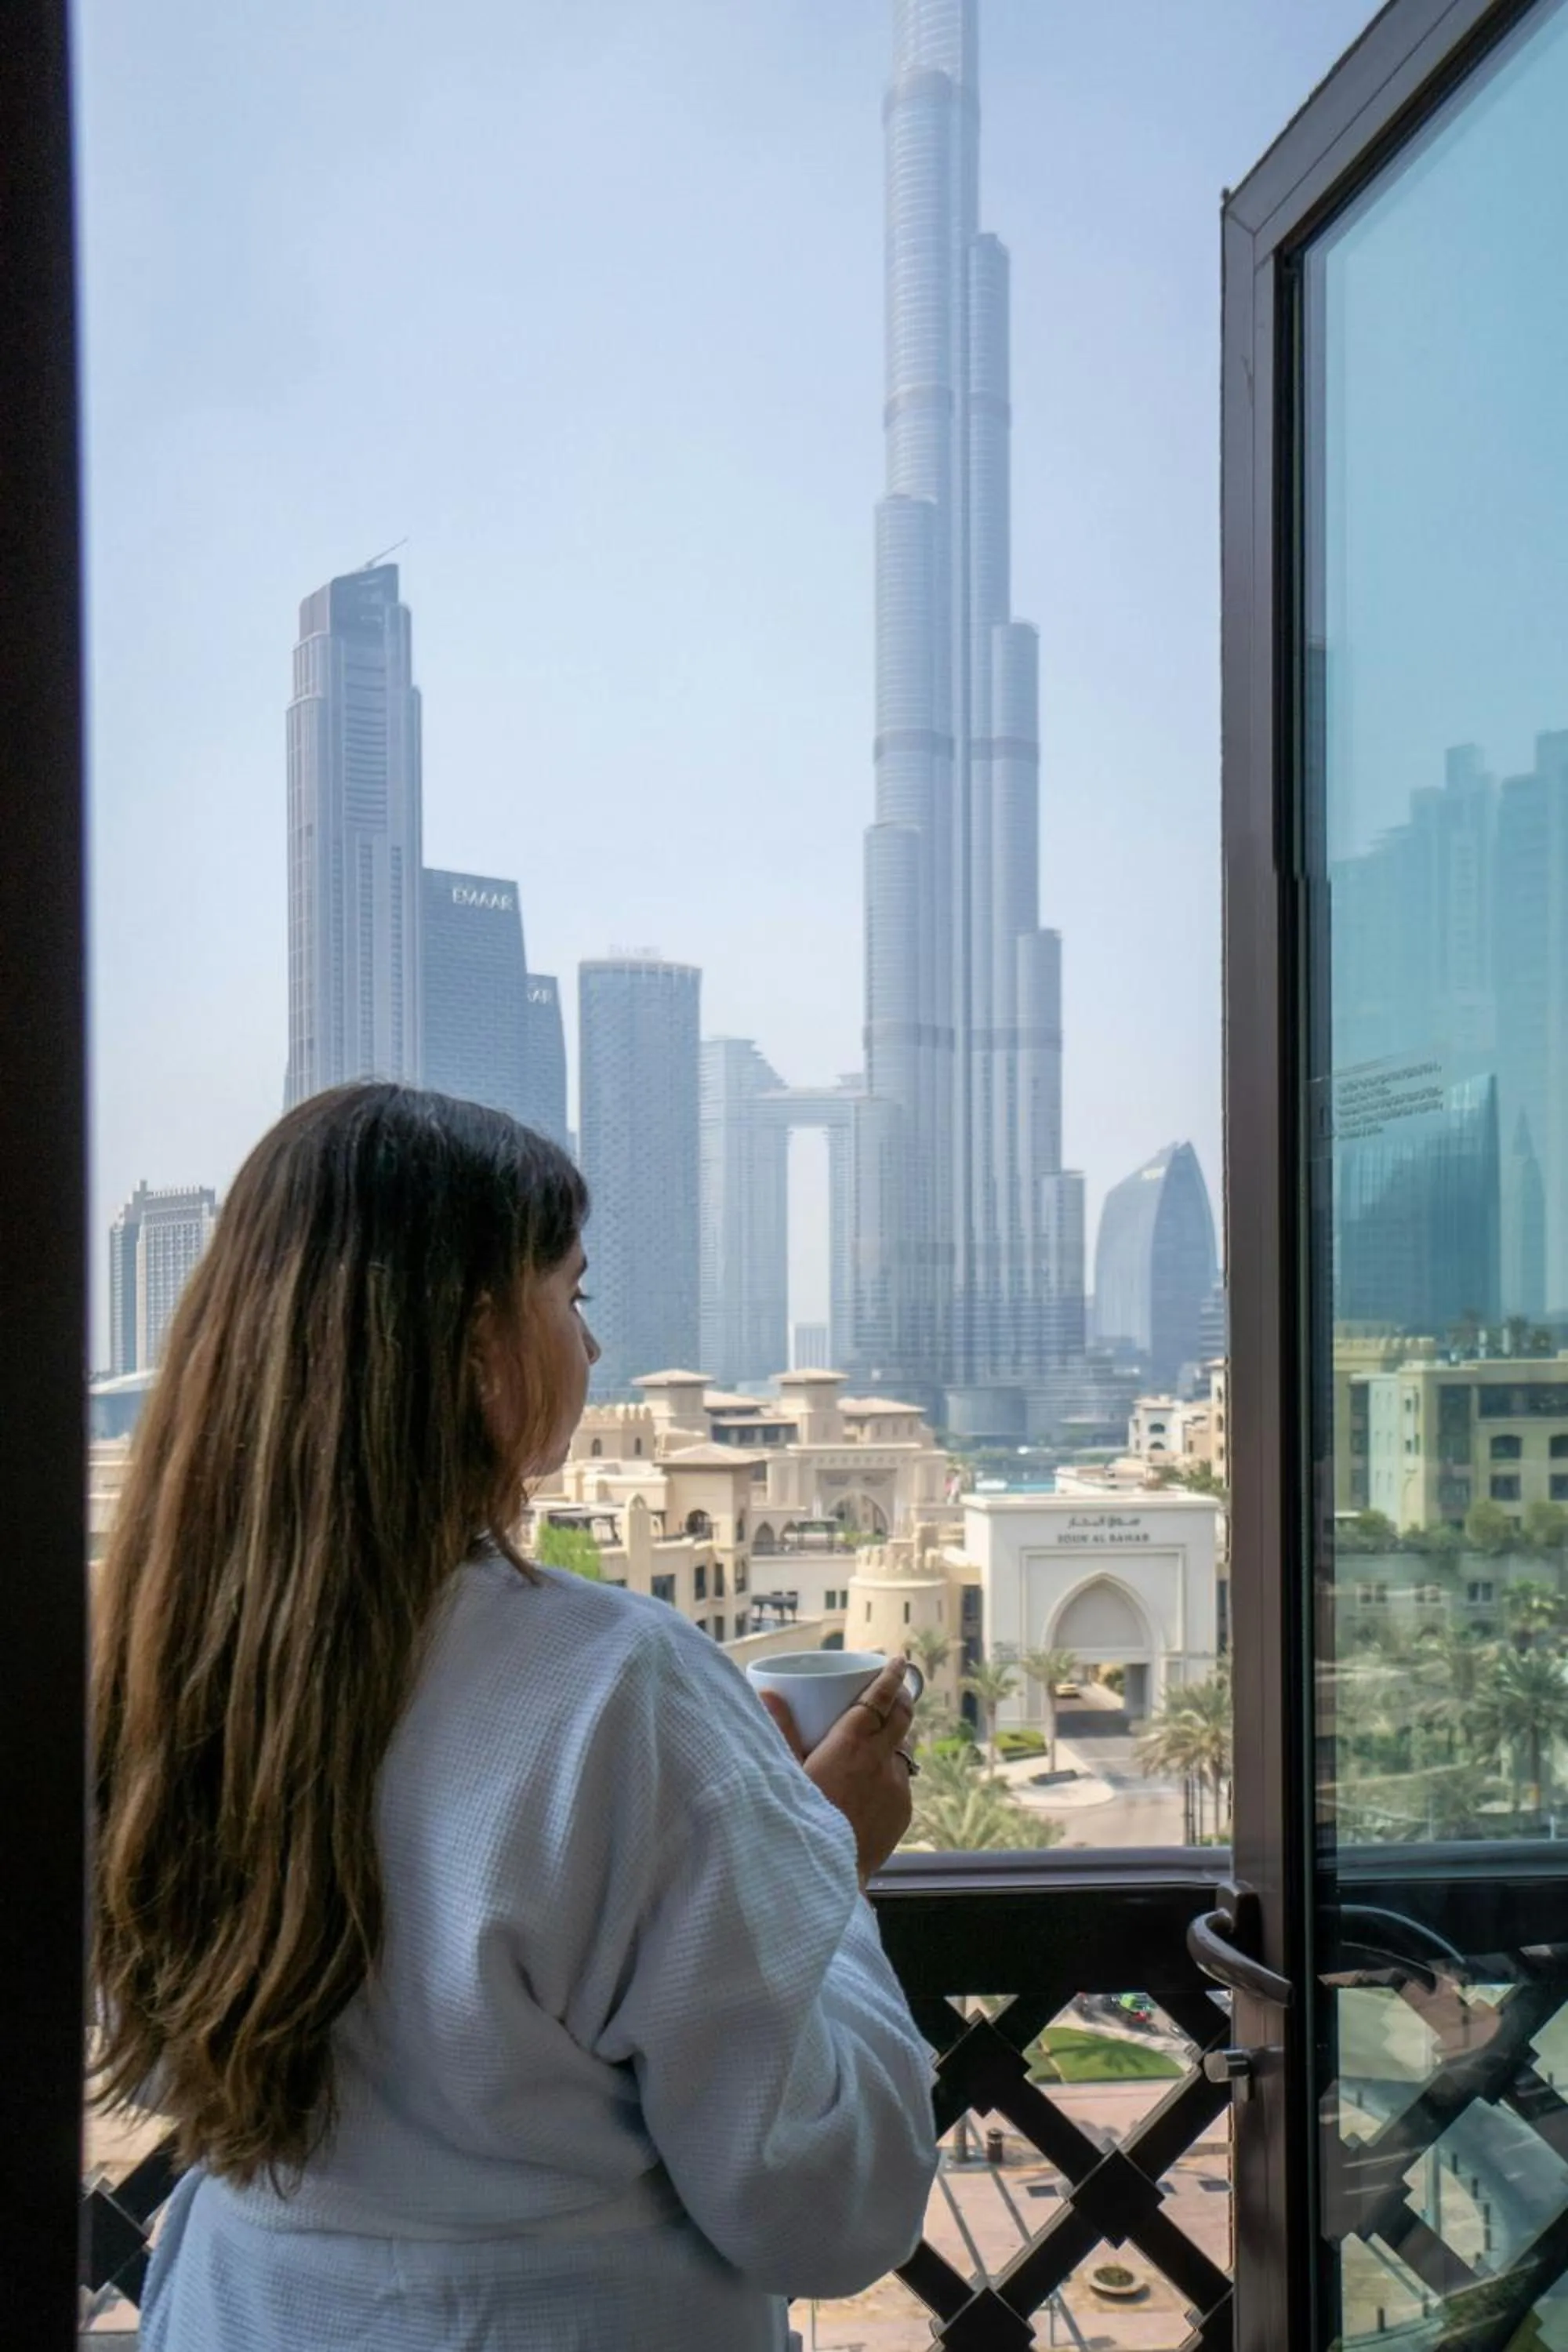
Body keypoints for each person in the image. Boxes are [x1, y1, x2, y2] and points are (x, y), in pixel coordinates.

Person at [93, 1083, 938, 2352]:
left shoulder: (144, 1672)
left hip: (250, 2310)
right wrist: (824, 1864)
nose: (592, 1350)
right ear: (480, 1344)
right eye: (573, 1295)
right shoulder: (616, 1691)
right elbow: (825, 2203)